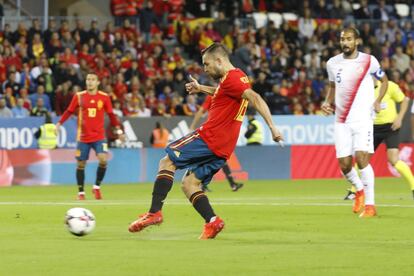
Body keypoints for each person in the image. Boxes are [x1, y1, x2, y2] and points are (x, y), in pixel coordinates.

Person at [128, 43, 283, 239]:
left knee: (166, 161)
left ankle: (154, 213)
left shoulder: (234, 79)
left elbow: (256, 98)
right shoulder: (236, 76)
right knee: (190, 184)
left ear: (219, 61)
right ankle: (212, 221)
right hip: (224, 147)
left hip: (211, 137)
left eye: (207, 64)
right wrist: (201, 88)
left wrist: (272, 127)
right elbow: (223, 93)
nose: (205, 69)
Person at [321, 27, 388, 218]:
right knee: (344, 164)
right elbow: (333, 87)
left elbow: (384, 81)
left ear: (357, 41)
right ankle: (358, 190)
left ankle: (370, 205)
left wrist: (377, 100)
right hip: (341, 120)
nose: (345, 43)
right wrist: (327, 102)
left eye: (349, 39)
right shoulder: (332, 63)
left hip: (363, 118)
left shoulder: (369, 60)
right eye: (343, 39)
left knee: (361, 158)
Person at [56, 73, 124, 200]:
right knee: (81, 164)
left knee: (103, 159)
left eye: (93, 80)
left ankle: (96, 187)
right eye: (88, 79)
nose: (90, 82)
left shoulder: (104, 97)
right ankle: (81, 192)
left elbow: (111, 115)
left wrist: (119, 131)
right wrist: (59, 123)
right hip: (83, 137)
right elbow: (69, 111)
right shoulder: (79, 96)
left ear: (98, 82)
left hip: (99, 136)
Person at [344, 80, 414, 200]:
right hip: (372, 128)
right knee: (362, 159)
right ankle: (354, 190)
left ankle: (413, 186)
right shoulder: (363, 90)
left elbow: (405, 100)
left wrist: (399, 118)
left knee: (394, 160)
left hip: (390, 127)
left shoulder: (390, 86)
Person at [190, 95, 244, 192]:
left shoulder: (220, 94)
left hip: (221, 133)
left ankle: (202, 184)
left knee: (218, 158)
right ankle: (199, 183)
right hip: (215, 132)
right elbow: (201, 111)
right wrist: (192, 126)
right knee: (217, 158)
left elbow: (201, 111)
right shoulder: (214, 94)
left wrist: (193, 126)